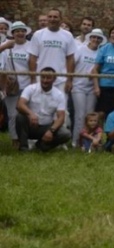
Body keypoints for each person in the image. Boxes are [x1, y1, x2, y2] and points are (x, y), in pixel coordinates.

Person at [16, 68, 72, 152]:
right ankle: (23, 148)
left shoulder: (59, 95)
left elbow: (61, 118)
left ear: (54, 79)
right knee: (20, 117)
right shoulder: (30, 88)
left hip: (46, 127)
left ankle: (41, 146)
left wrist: (51, 131)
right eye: (43, 77)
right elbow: (19, 105)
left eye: (48, 78)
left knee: (66, 134)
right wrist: (31, 114)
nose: (45, 80)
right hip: (30, 125)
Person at [0, 21, 33, 149]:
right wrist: (4, 46)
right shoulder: (6, 45)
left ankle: (28, 139)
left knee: (27, 113)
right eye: (17, 31)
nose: (20, 33)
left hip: (27, 85)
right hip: (11, 85)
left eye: (22, 30)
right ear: (12, 33)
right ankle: (15, 139)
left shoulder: (31, 46)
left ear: (26, 32)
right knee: (12, 114)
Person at [29, 8, 77, 95]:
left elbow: (70, 59)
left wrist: (69, 80)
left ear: (60, 19)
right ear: (47, 18)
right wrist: (33, 79)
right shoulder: (38, 34)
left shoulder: (68, 35)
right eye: (50, 16)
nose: (52, 19)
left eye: (55, 17)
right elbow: (33, 58)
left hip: (61, 80)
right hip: (41, 79)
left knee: (60, 107)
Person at [71, 29, 105, 146]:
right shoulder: (80, 50)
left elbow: (99, 69)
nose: (95, 40)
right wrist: (69, 80)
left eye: (98, 38)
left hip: (92, 87)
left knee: (90, 116)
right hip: (78, 86)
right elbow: (72, 65)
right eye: (93, 37)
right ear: (90, 38)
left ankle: (88, 141)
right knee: (80, 115)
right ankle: (76, 140)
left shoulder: (100, 52)